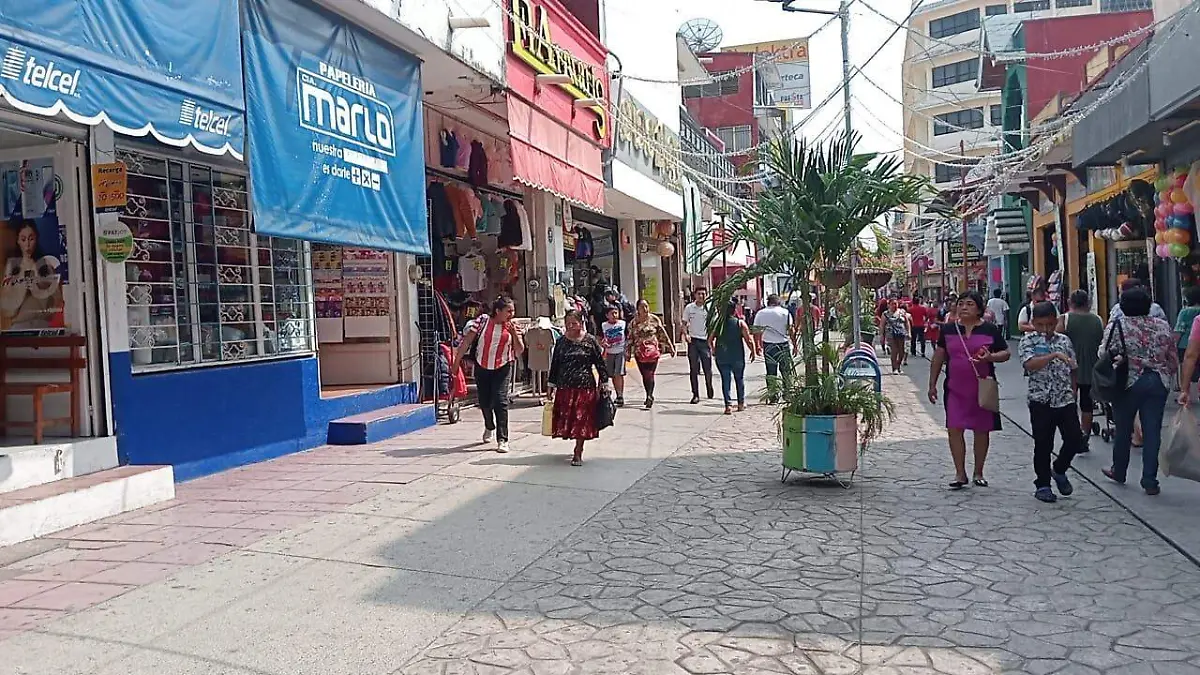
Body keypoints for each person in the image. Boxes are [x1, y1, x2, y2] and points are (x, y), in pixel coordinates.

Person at [928, 291, 1010, 490]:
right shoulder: (948, 330)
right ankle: (960, 472)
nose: (964, 307)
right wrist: (932, 384)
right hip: (955, 388)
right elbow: (939, 357)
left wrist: (990, 358)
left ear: (979, 309)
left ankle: (978, 472)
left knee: (981, 430)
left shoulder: (990, 330)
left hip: (982, 387)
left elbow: (1006, 353)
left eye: (970, 304)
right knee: (954, 428)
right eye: (961, 303)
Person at [1100, 287, 1177, 495]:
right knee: (1152, 431)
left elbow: (1104, 352)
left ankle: (1119, 470)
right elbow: (1172, 356)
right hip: (1158, 381)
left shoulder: (1118, 325)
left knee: (1124, 429)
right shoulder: (1162, 325)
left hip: (1128, 381)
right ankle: (1150, 479)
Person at [1020, 302, 1082, 503]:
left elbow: (1073, 368)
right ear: (1033, 323)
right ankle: (1043, 484)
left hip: (1064, 399)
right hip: (1040, 399)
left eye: (1049, 324)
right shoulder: (1028, 341)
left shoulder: (1064, 340)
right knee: (1043, 443)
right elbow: (1030, 364)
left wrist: (1073, 391)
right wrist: (1053, 355)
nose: (1045, 329)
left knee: (1074, 439)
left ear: (1056, 321)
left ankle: (1059, 469)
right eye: (1040, 325)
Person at [451, 296, 525, 453]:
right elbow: (466, 342)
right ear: (498, 311)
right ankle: (489, 425)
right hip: (482, 366)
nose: (512, 314)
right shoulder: (482, 321)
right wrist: (456, 363)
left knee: (500, 400)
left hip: (503, 367)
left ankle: (503, 439)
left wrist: (514, 333)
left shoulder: (513, 326)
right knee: (484, 402)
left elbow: (519, 350)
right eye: (508, 311)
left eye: (513, 310)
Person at [548, 310, 610, 466]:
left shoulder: (590, 341)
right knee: (570, 420)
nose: (570, 326)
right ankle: (575, 444)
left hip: (585, 387)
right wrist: (551, 384)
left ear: (581, 323)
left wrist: (605, 382)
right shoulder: (561, 341)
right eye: (567, 323)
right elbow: (555, 364)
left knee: (582, 421)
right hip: (565, 387)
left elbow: (600, 364)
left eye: (573, 323)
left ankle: (578, 451)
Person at [1058, 290, 1104, 453]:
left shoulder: (1065, 319)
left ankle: (1074, 435)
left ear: (1071, 302)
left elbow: (1057, 341)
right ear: (1088, 303)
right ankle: (1084, 435)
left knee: (1070, 404)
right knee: (1087, 405)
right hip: (1092, 368)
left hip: (1068, 368)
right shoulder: (1098, 320)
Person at [711, 298, 757, 415]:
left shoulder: (717, 324)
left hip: (722, 356)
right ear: (734, 310)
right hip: (737, 356)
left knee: (725, 380)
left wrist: (713, 350)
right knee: (739, 379)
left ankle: (728, 406)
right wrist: (753, 351)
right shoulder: (740, 323)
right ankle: (741, 404)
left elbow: (709, 339)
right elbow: (749, 340)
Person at [628, 299, 675, 408]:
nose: (644, 309)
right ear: (637, 309)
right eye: (641, 307)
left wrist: (670, 347)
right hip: (639, 352)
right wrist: (627, 352)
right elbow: (630, 338)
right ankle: (648, 394)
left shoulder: (654, 319)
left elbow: (662, 334)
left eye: (646, 306)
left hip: (652, 352)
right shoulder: (634, 322)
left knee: (650, 374)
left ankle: (650, 395)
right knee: (645, 375)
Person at [753, 294, 795, 388]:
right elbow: (791, 330)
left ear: (768, 302)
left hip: (768, 345)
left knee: (771, 371)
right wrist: (795, 344)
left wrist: (757, 346)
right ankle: (787, 393)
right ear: (778, 302)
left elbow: (756, 331)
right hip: (783, 345)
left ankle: (772, 395)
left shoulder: (761, 313)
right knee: (786, 371)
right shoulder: (785, 312)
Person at [680, 288, 714, 404]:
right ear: (695, 295)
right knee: (694, 369)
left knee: (707, 369)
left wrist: (712, 340)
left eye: (703, 294)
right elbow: (684, 323)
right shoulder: (689, 308)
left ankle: (709, 386)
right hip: (693, 341)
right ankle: (695, 394)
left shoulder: (710, 308)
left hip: (705, 341)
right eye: (699, 294)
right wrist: (686, 335)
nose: (701, 296)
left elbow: (714, 325)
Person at [599, 305, 628, 407]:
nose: (615, 315)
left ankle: (620, 395)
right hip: (608, 353)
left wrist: (627, 350)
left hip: (620, 352)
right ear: (607, 315)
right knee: (609, 375)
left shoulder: (623, 324)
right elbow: (599, 338)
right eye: (612, 313)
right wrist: (602, 343)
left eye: (616, 313)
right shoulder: (603, 325)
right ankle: (605, 394)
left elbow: (628, 336)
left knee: (618, 374)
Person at [880, 299, 910, 375]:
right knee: (894, 351)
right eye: (893, 304)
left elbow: (907, 322)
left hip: (901, 334)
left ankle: (898, 365)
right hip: (891, 335)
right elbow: (882, 325)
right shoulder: (885, 314)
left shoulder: (902, 312)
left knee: (902, 352)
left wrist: (908, 332)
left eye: (896, 304)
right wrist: (882, 336)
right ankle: (895, 368)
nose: (894, 305)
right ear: (889, 305)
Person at [1174, 286, 1200, 370]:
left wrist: (1174, 346)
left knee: (1186, 367)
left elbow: (1179, 330)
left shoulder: (1185, 312)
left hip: (1184, 345)